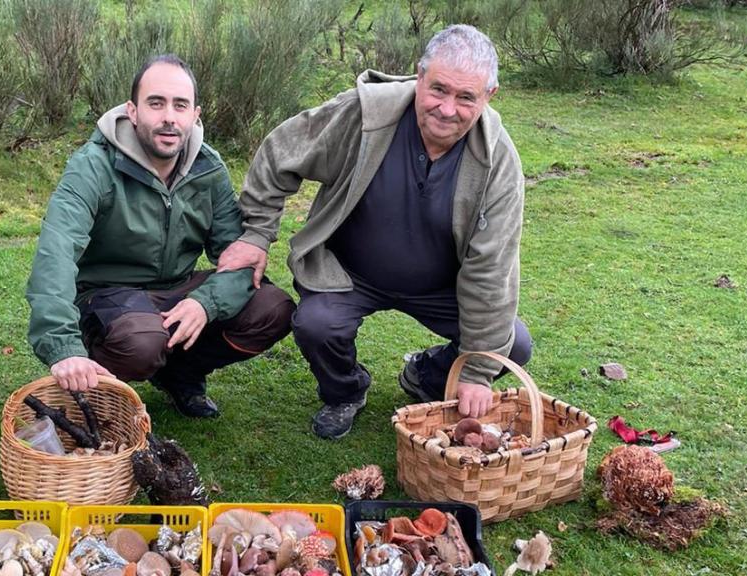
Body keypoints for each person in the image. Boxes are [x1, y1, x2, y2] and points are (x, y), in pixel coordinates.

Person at [217, 25, 532, 438]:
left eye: (465, 97)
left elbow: (491, 270)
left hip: (442, 286)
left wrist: (476, 370)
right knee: (316, 323)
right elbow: (281, 153)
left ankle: (426, 376)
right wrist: (256, 234)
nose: (447, 108)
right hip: (350, 275)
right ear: (419, 77)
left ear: (489, 97)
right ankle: (346, 391)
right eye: (438, 89)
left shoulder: (499, 164)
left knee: (513, 344)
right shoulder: (364, 116)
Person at [26, 55, 295, 418]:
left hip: (175, 289)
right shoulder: (93, 165)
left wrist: (205, 303)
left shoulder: (208, 168)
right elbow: (55, 252)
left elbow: (238, 256)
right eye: (156, 103)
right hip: (106, 297)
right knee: (141, 342)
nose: (169, 116)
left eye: (180, 105)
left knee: (272, 309)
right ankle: (91, 385)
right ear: (133, 111)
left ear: (195, 115)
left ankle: (180, 375)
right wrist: (63, 347)